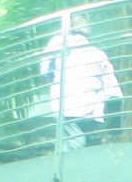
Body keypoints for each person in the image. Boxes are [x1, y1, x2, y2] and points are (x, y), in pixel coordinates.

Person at [39, 13, 123, 147]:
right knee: (89, 147)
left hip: (66, 108)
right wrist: (116, 125)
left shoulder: (58, 42)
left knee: (72, 147)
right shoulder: (98, 53)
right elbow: (113, 90)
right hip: (93, 113)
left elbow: (45, 70)